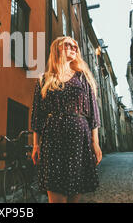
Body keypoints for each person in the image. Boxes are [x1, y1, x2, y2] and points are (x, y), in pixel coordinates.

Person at [31, 36, 102, 203]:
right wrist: (35, 144)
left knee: (74, 195)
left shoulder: (83, 78)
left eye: (75, 46)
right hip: (52, 141)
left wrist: (95, 142)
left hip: (79, 141)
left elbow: (93, 112)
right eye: (68, 45)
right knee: (56, 195)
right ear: (57, 49)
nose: (74, 48)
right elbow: (37, 115)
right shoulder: (44, 79)